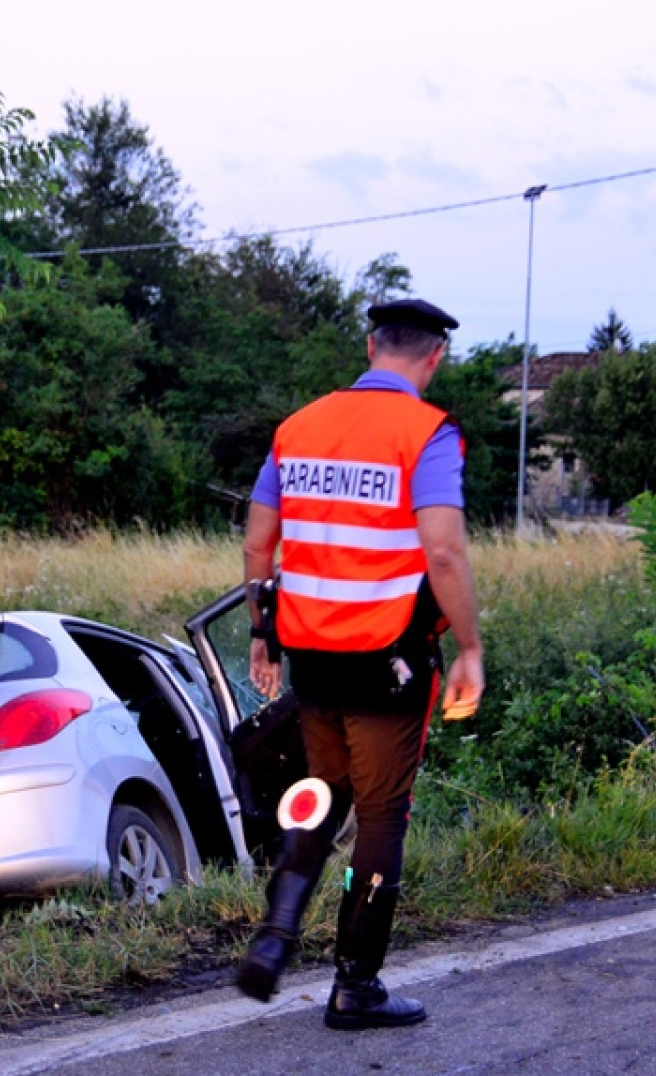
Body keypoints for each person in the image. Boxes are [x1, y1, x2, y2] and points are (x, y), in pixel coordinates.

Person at [232, 297, 485, 1030]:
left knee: (323, 788)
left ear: (371, 345)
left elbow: (258, 546)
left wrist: (262, 630)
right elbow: (442, 549)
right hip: (387, 661)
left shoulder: (297, 427)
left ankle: (276, 937)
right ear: (434, 357)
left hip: (311, 653)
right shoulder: (427, 433)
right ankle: (357, 982)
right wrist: (469, 647)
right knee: (381, 814)